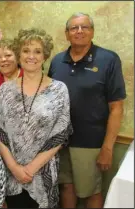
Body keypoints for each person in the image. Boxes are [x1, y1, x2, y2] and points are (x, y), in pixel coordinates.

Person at [48, 12, 126, 208]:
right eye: (74, 28)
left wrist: (107, 148)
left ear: (92, 31)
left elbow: (116, 107)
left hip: (91, 143)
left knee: (91, 192)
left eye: (84, 27)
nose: (79, 31)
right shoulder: (57, 61)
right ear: (67, 34)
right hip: (60, 142)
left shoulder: (108, 59)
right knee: (66, 187)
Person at [0, 27, 72, 208]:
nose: (31, 56)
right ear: (19, 55)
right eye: (26, 51)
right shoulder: (5, 90)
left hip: (42, 174)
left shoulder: (59, 90)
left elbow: (61, 134)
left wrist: (31, 168)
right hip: (11, 174)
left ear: (45, 56)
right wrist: (14, 168)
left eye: (37, 51)